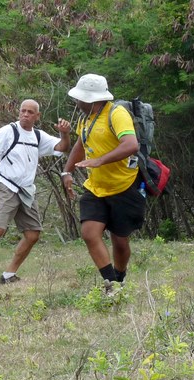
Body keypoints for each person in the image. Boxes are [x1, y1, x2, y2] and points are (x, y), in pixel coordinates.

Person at [0, 99, 71, 287]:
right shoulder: (8, 131)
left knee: (33, 234)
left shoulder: (38, 136)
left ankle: (8, 274)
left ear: (37, 116)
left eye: (30, 112)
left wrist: (64, 133)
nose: (25, 114)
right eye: (23, 111)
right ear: (19, 112)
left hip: (26, 190)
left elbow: (62, 147)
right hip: (6, 185)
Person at [61, 74, 145, 294]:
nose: (77, 102)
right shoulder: (86, 118)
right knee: (89, 233)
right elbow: (81, 143)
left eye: (79, 99)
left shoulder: (117, 114)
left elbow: (131, 145)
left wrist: (100, 160)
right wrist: (66, 171)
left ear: (91, 99)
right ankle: (111, 283)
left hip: (123, 186)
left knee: (120, 241)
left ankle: (120, 276)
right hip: (95, 187)